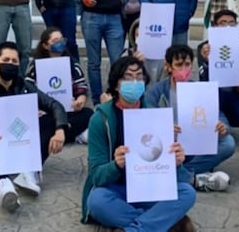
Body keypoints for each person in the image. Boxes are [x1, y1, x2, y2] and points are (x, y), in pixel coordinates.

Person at [81, 56, 196, 232]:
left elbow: (170, 173)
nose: (135, 82)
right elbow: (97, 175)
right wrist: (116, 165)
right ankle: (162, 222)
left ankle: (135, 228)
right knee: (97, 200)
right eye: (128, 77)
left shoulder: (155, 114)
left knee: (187, 193)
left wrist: (177, 162)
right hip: (117, 188)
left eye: (139, 77)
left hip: (149, 187)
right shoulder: (100, 119)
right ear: (116, 84)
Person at [0, 41, 68, 211]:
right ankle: (3, 186)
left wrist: (60, 129)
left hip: (18, 145)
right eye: (6, 60)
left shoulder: (23, 85)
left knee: (50, 121)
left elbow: (53, 104)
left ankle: (29, 171)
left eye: (14, 61)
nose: (10, 64)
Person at [145, 44, 233, 192]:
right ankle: (191, 177)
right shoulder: (156, 92)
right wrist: (163, 128)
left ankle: (178, 173)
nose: (183, 69)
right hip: (169, 147)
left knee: (228, 143)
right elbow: (146, 120)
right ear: (168, 67)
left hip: (195, 145)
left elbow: (219, 115)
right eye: (178, 65)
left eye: (187, 64)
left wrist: (222, 126)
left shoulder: (200, 89)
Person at [25, 27, 93, 144]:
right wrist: (34, 108)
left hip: (68, 110)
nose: (60, 43)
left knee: (88, 114)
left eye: (62, 39)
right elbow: (26, 89)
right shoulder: (34, 66)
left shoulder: (72, 63)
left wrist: (80, 101)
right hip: (46, 112)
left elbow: (81, 86)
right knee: (36, 121)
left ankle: (57, 134)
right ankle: (71, 133)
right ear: (45, 45)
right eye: (55, 41)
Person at [198, 9, 239, 130]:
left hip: (232, 94)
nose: (227, 26)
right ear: (214, 26)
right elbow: (203, 81)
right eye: (223, 23)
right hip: (211, 95)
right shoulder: (204, 48)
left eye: (232, 23)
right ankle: (218, 121)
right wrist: (207, 61)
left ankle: (226, 121)